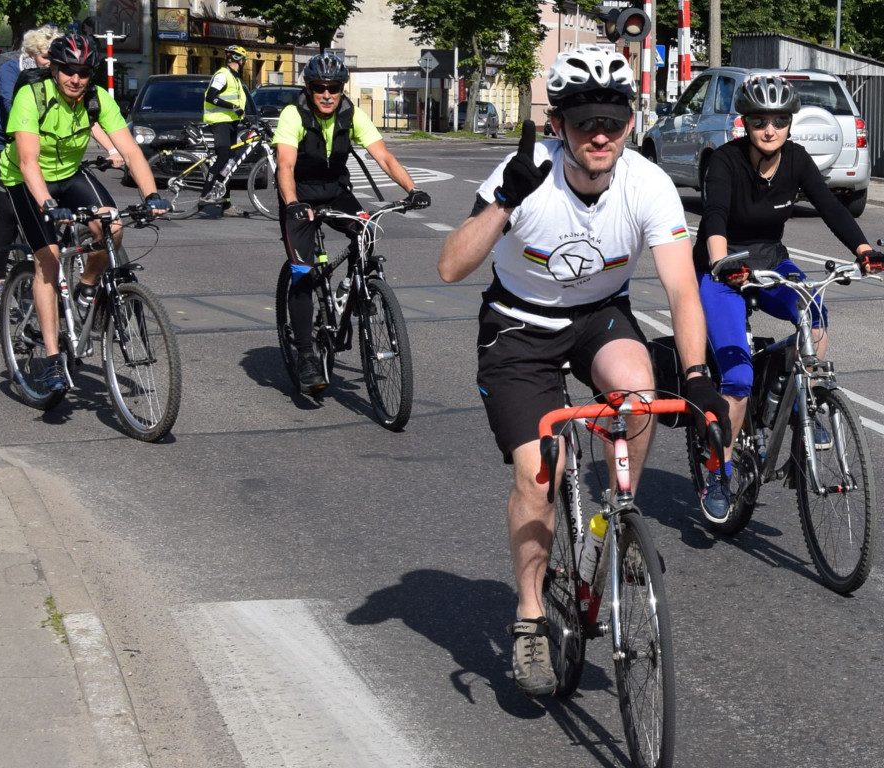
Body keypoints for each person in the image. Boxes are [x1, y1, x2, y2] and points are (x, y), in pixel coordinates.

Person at [437, 45, 729, 697]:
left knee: (642, 396)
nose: (599, 135)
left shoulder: (646, 183)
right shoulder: (525, 173)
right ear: (559, 124)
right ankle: (532, 619)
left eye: (613, 121)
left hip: (600, 317)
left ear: (631, 121)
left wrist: (699, 374)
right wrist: (499, 205)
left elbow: (683, 291)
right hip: (519, 327)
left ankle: (615, 520)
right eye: (583, 122)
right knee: (541, 472)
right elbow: (450, 268)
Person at [694, 74, 884, 520]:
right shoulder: (725, 161)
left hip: (772, 260)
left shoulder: (796, 159)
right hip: (724, 267)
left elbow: (831, 206)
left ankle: (807, 401)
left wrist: (862, 250)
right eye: (760, 120)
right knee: (737, 377)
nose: (770, 129)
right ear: (745, 122)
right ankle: (718, 473)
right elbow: (716, 215)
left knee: (814, 310)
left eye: (779, 120)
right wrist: (722, 263)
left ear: (789, 123)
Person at [0, 33, 169, 393]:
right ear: (56, 69)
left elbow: (132, 151)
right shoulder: (32, 96)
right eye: (69, 72)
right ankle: (49, 359)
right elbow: (28, 161)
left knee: (113, 224)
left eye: (84, 72)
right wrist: (47, 203)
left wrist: (152, 194)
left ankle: (87, 289)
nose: (76, 80)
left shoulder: (96, 99)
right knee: (48, 259)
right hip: (26, 179)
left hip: (69, 173)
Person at [273, 52, 431, 394]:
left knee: (367, 230)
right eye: (320, 88)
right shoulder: (292, 114)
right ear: (310, 89)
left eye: (334, 88)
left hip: (335, 192)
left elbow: (384, 156)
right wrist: (294, 205)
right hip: (298, 195)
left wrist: (412, 189)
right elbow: (284, 166)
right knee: (302, 271)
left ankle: (353, 288)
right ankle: (305, 355)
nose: (327, 94)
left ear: (342, 90)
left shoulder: (351, 114)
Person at [0, 25, 124, 308]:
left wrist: (113, 149)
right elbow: (12, 108)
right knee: (8, 210)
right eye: (47, 56)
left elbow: (86, 117)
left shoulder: (62, 81)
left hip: (39, 146)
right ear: (32, 55)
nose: (55, 63)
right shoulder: (12, 71)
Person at [199, 44, 249, 217]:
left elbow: (238, 103)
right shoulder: (222, 75)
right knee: (222, 159)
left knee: (229, 164)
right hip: (220, 122)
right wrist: (232, 107)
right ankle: (205, 195)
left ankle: (226, 204)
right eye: (243, 59)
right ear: (238, 59)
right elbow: (211, 96)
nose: (244, 62)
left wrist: (243, 117)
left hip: (231, 123)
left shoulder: (235, 78)